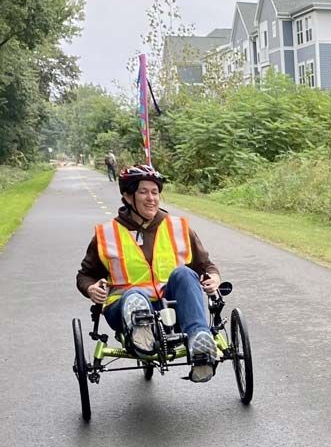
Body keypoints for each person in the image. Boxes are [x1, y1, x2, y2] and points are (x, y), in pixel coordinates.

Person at [76, 164, 222, 383]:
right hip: (122, 307)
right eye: (143, 192)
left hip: (169, 307)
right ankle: (140, 331)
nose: (151, 198)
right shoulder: (106, 234)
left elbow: (206, 266)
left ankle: (199, 342)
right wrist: (91, 288)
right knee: (134, 295)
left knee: (184, 273)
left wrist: (213, 279)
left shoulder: (178, 227)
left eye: (155, 192)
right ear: (127, 196)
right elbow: (85, 275)